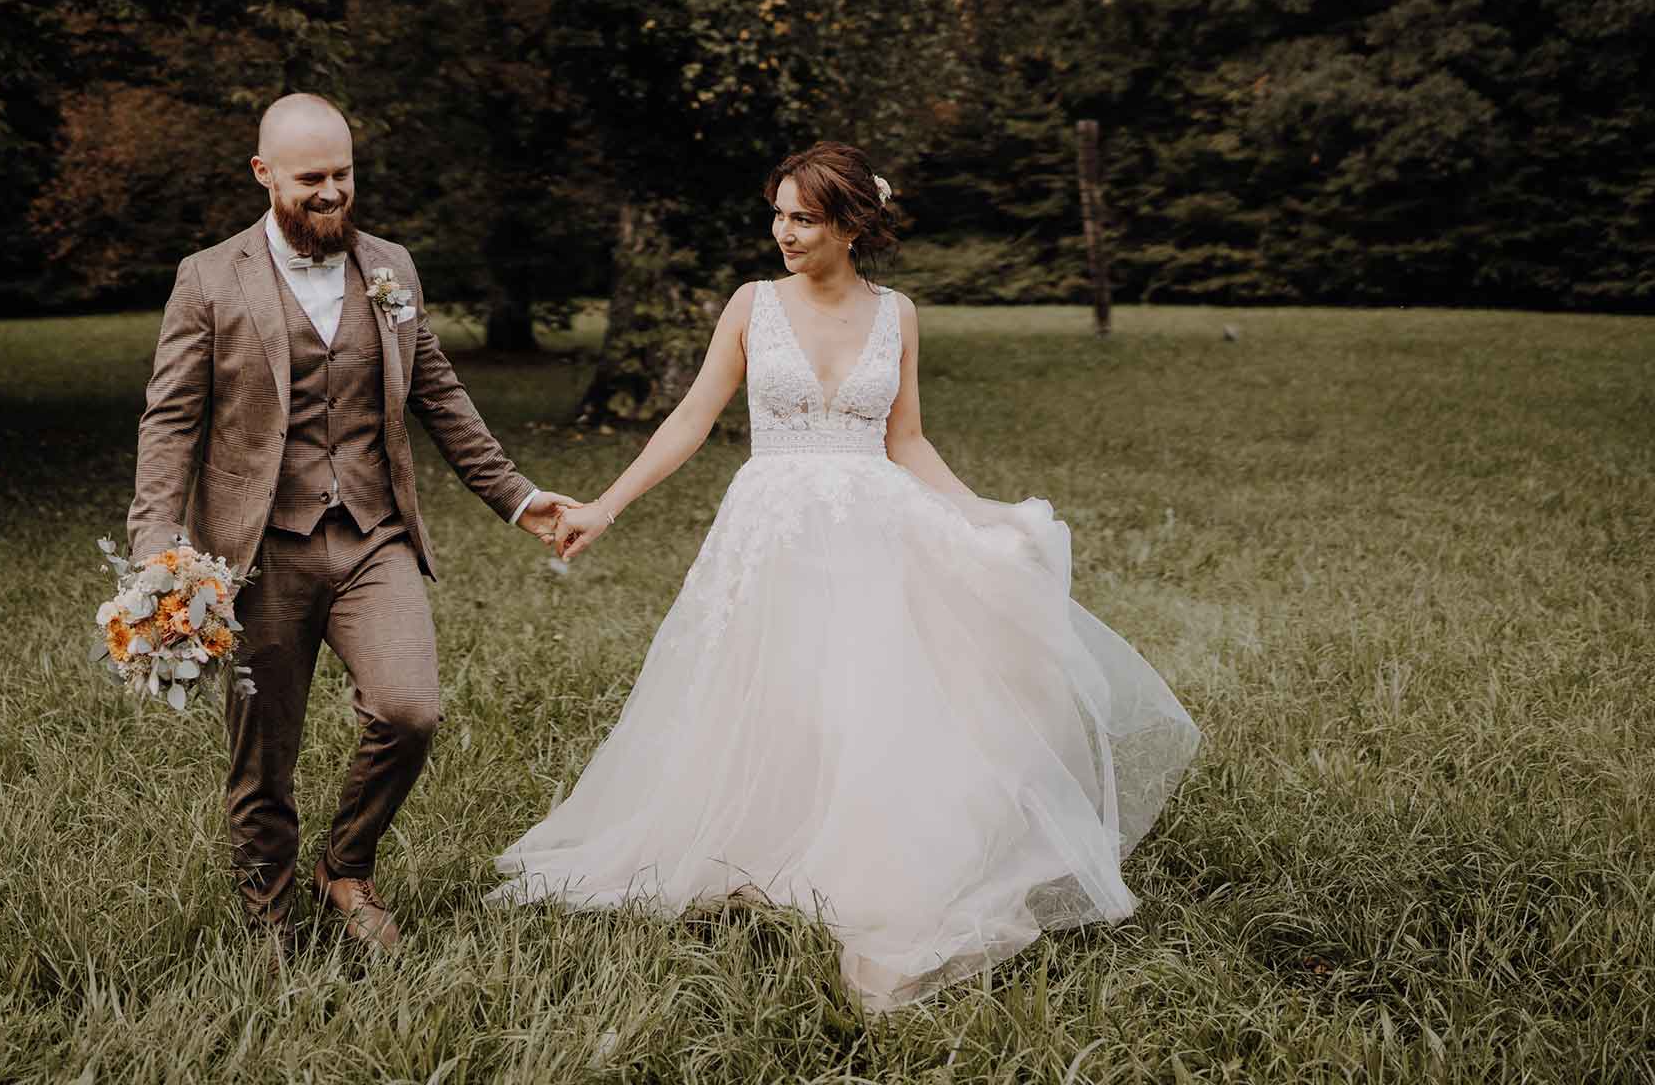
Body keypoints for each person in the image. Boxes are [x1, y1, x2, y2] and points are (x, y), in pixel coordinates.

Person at [490, 141, 1201, 1011]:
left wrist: (984, 516)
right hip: (774, 527)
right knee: (771, 692)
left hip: (873, 529)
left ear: (852, 225)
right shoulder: (753, 305)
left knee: (868, 699)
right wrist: (606, 503)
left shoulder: (897, 313)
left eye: (803, 218)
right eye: (778, 214)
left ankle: (857, 863)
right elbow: (690, 418)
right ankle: (755, 845)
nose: (782, 232)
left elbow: (906, 439)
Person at [127, 93, 577, 954]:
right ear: (263, 174)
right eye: (311, 179)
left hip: (373, 534)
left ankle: (347, 865)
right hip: (258, 552)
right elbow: (171, 418)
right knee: (265, 752)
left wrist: (519, 498)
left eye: (344, 174)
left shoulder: (391, 268)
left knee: (410, 711)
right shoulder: (210, 277)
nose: (332, 192)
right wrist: (157, 544)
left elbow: (438, 393)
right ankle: (269, 923)